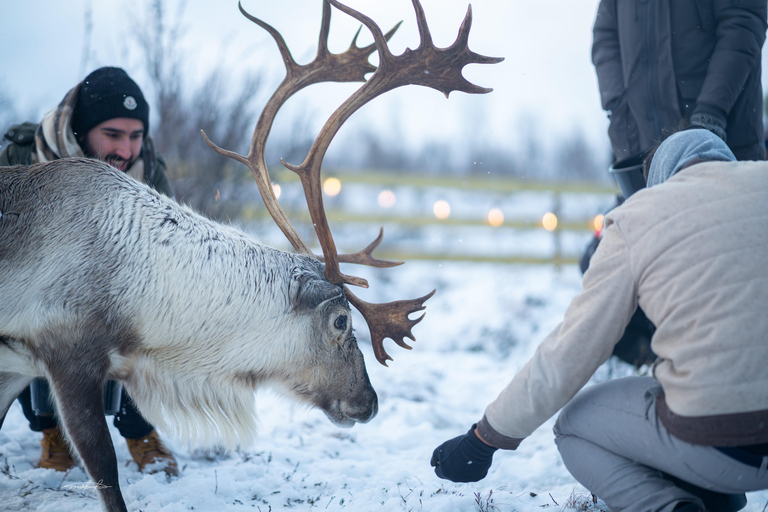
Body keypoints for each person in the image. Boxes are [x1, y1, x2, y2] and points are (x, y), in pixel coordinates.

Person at [431, 129, 768, 512]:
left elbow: (570, 351)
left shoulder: (641, 217)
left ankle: (668, 505)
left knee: (575, 425)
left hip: (718, 445)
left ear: (658, 180)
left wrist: (483, 439)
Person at [0, 66, 178, 475]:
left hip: (118, 298)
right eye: (112, 135)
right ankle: (54, 433)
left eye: (136, 136)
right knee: (44, 315)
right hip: (37, 295)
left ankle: (139, 430)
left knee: (154, 314)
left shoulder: (149, 170)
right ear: (80, 132)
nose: (127, 150)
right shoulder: (21, 157)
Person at [582, 0, 767, 368]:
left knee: (725, 277)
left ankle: (733, 383)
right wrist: (621, 119)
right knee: (609, 265)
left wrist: (710, 112)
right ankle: (671, 372)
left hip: (724, 143)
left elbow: (743, 19)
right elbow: (605, 36)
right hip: (647, 156)